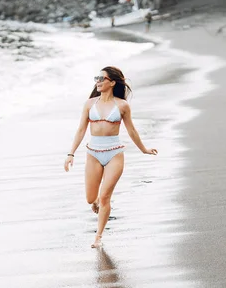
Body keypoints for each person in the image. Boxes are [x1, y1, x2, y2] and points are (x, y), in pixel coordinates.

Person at [64, 66, 157, 248]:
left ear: (112, 82)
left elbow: (131, 130)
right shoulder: (90, 104)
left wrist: (144, 149)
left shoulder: (122, 105)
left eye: (102, 78)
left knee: (105, 196)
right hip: (93, 153)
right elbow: (81, 129)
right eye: (96, 78)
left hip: (114, 152)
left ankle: (98, 237)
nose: (97, 81)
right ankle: (97, 202)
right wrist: (70, 153)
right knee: (91, 198)